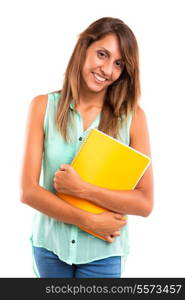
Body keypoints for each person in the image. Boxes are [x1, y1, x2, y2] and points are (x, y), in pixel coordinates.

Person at [20, 17, 153, 278]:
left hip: (103, 255)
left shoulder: (133, 118)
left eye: (118, 64)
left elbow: (145, 202)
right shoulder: (42, 107)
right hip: (49, 250)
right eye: (102, 54)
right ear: (84, 48)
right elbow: (28, 191)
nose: (107, 69)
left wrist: (82, 189)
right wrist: (90, 221)